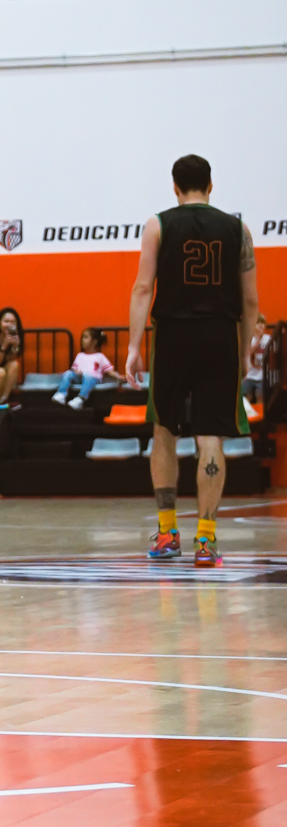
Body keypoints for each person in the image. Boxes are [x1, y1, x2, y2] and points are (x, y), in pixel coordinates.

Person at [126, 153, 258, 568]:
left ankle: (168, 533)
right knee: (211, 437)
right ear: (211, 185)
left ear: (175, 187)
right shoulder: (238, 229)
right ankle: (206, 539)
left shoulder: (158, 225)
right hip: (220, 335)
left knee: (164, 431)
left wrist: (133, 347)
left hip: (172, 335)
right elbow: (251, 301)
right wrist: (245, 350)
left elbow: (143, 288)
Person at [52, 327, 120, 408]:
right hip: (81, 377)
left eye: (86, 337)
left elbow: (109, 370)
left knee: (88, 377)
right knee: (68, 373)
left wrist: (119, 377)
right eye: (82, 337)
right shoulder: (80, 355)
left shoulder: (100, 356)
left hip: (93, 378)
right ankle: (61, 394)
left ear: (94, 342)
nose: (82, 340)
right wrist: (77, 372)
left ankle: (81, 398)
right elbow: (75, 369)